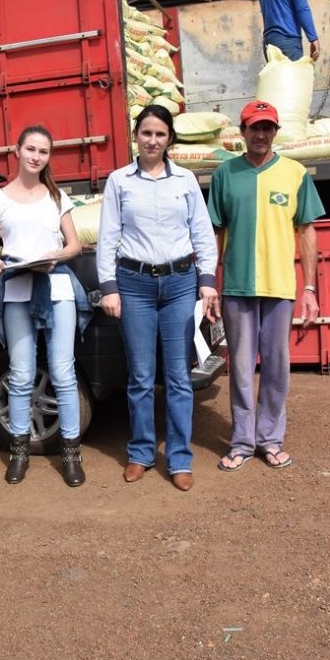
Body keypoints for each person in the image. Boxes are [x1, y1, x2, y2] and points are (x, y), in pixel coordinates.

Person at [97, 106, 219, 492]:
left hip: (179, 283)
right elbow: (108, 236)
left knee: (179, 376)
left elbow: (202, 233)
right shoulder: (119, 181)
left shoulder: (185, 180)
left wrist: (207, 281)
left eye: (160, 134)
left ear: (170, 140)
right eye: (146, 133)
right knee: (140, 376)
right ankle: (141, 452)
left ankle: (180, 458)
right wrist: (109, 287)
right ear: (136, 136)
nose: (152, 140)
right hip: (134, 285)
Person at [206, 101, 325, 472]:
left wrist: (310, 289)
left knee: (276, 367)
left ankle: (270, 440)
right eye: (254, 127)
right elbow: (215, 233)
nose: (261, 135)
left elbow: (306, 232)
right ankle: (242, 441)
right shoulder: (225, 174)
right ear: (242, 132)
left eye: (267, 128)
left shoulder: (295, 173)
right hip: (237, 287)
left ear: (275, 132)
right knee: (241, 369)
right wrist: (210, 284)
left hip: (280, 288)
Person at [0, 125, 91, 487]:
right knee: (21, 373)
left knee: (63, 372)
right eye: (30, 149)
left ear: (48, 156)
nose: (36, 156)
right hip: (16, 290)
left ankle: (71, 454)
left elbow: (74, 245)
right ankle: (19, 452)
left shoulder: (56, 196)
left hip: (57, 288)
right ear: (17, 150)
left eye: (43, 151)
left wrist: (56, 255)